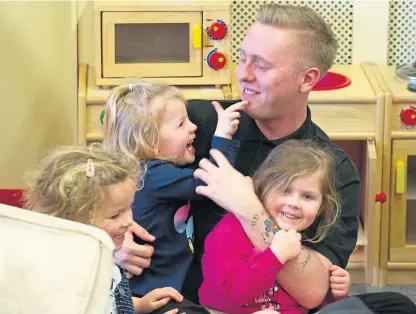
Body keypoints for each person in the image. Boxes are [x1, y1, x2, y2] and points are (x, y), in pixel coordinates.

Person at [115, 4, 416, 313]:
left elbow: (314, 291)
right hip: (189, 304)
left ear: (307, 79)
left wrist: (248, 208)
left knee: (398, 305)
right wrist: (114, 236)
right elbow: (117, 165)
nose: (243, 74)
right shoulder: (199, 123)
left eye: (261, 65)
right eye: (243, 58)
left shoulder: (334, 168)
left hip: (276, 308)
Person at [103, 82, 245, 313]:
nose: (193, 127)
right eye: (181, 124)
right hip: (152, 292)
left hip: (163, 287)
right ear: (151, 145)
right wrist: (223, 136)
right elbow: (211, 181)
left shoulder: (148, 173)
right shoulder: (154, 174)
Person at [24, 144, 183, 314]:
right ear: (73, 221)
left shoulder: (102, 254)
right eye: (115, 215)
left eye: (129, 207)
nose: (129, 221)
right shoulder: (69, 283)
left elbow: (110, 302)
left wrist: (138, 305)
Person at [199, 140, 350, 314]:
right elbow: (234, 294)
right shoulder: (228, 232)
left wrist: (332, 294)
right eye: (285, 190)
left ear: (322, 206)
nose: (294, 203)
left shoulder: (304, 235)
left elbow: (306, 301)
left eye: (307, 196)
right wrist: (275, 256)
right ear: (263, 188)